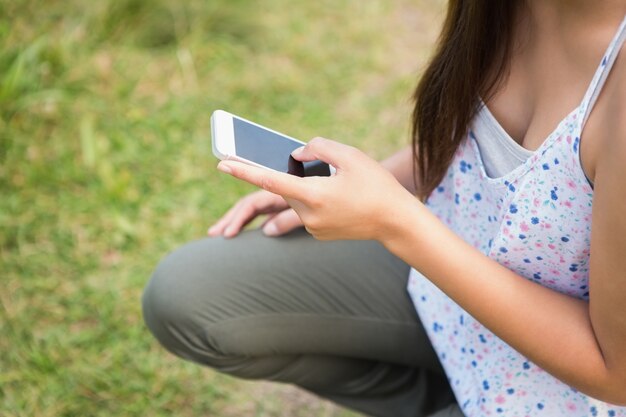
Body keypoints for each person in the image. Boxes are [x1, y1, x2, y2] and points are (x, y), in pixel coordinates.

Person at [142, 1, 626, 416]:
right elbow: (482, 143)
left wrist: (396, 220)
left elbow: (614, 374)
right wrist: (362, 185)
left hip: (576, 393)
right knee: (188, 294)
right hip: (448, 296)